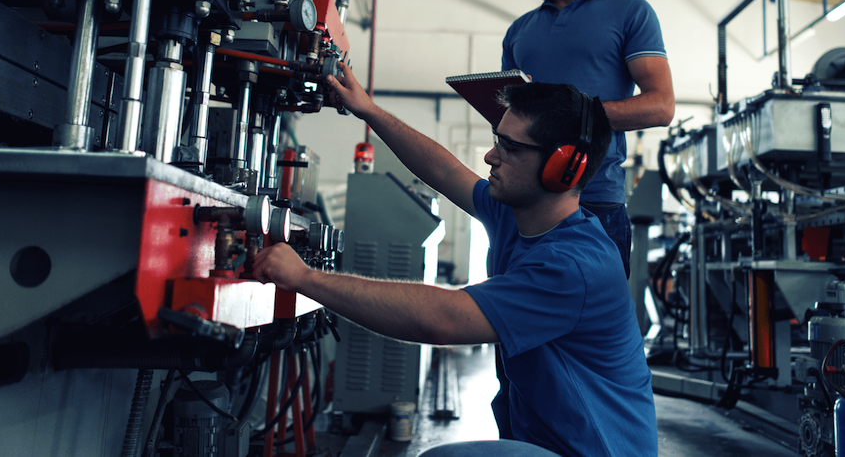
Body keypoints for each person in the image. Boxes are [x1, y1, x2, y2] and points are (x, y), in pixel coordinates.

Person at [253, 62, 658, 457]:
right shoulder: (518, 214)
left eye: (510, 147)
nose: (491, 157)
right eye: (498, 140)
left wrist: (305, 278)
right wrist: (368, 110)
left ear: (563, 169)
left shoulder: (574, 265)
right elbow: (446, 172)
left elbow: (441, 319)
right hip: (547, 441)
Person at [499, 0, 675, 278]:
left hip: (595, 204)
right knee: (517, 315)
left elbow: (661, 106)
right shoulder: (518, 32)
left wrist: (569, 118)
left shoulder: (630, 12)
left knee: (596, 316)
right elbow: (506, 116)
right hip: (525, 204)